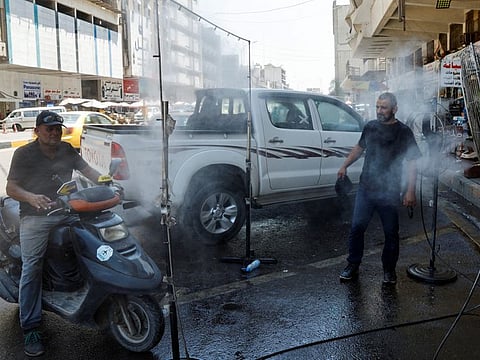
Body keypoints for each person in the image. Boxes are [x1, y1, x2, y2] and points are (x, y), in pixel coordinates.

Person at [6, 110, 103, 357]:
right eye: (48, 129)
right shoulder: (23, 153)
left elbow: (88, 171)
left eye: (57, 128)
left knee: (96, 242)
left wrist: (105, 181)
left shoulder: (67, 149)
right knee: (32, 266)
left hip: (67, 209)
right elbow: (11, 187)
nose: (54, 133)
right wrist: (31, 197)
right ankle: (30, 327)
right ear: (36, 131)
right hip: (36, 217)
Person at [338, 92, 422, 285]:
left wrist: (410, 190)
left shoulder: (404, 132)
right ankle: (353, 265)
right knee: (357, 227)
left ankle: (389, 270)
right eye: (377, 107)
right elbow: (359, 148)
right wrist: (345, 165)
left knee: (391, 232)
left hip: (390, 190)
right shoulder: (370, 126)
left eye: (384, 107)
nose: (379, 111)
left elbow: (412, 163)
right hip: (366, 188)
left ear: (395, 109)